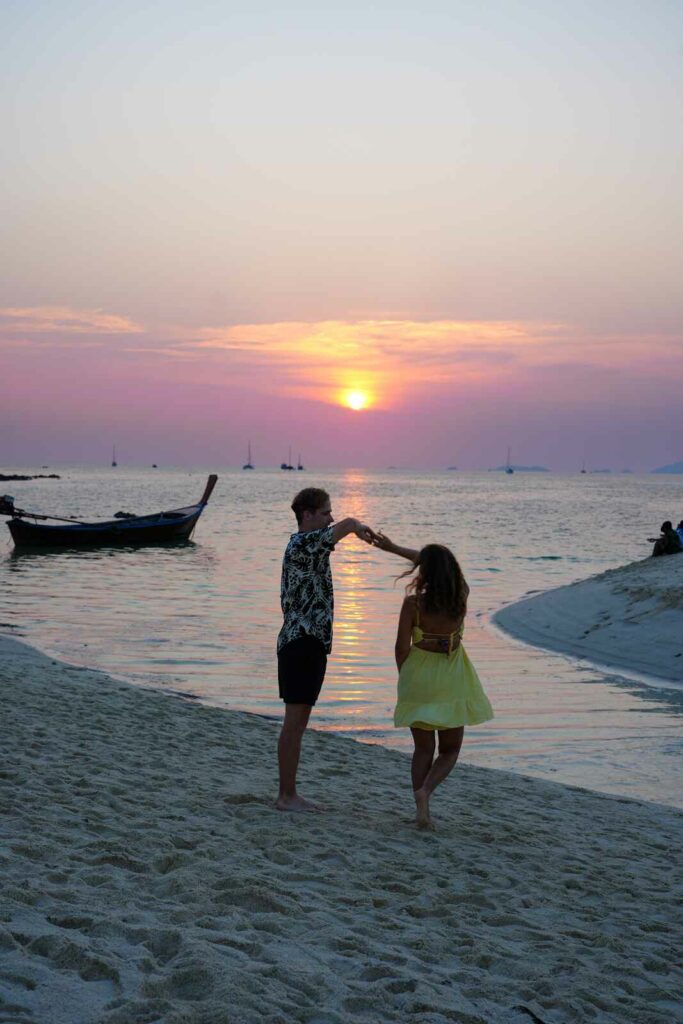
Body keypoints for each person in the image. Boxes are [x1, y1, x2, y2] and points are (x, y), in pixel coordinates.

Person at [276, 488, 387, 812]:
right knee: (293, 724)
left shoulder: (312, 547)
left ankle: (289, 794)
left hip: (308, 643)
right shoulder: (301, 544)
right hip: (300, 642)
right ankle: (286, 796)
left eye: (331, 513)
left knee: (297, 724)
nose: (330, 518)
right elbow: (340, 529)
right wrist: (353, 523)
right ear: (307, 515)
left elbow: (332, 537)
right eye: (325, 512)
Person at [387, 542, 493, 829]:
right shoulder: (461, 596)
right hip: (451, 676)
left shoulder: (413, 604)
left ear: (424, 571)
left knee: (423, 749)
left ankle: (420, 810)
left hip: (418, 675)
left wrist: (406, 679)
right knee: (449, 750)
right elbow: (444, 570)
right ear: (452, 571)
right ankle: (426, 792)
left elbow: (400, 648)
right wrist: (398, 549)